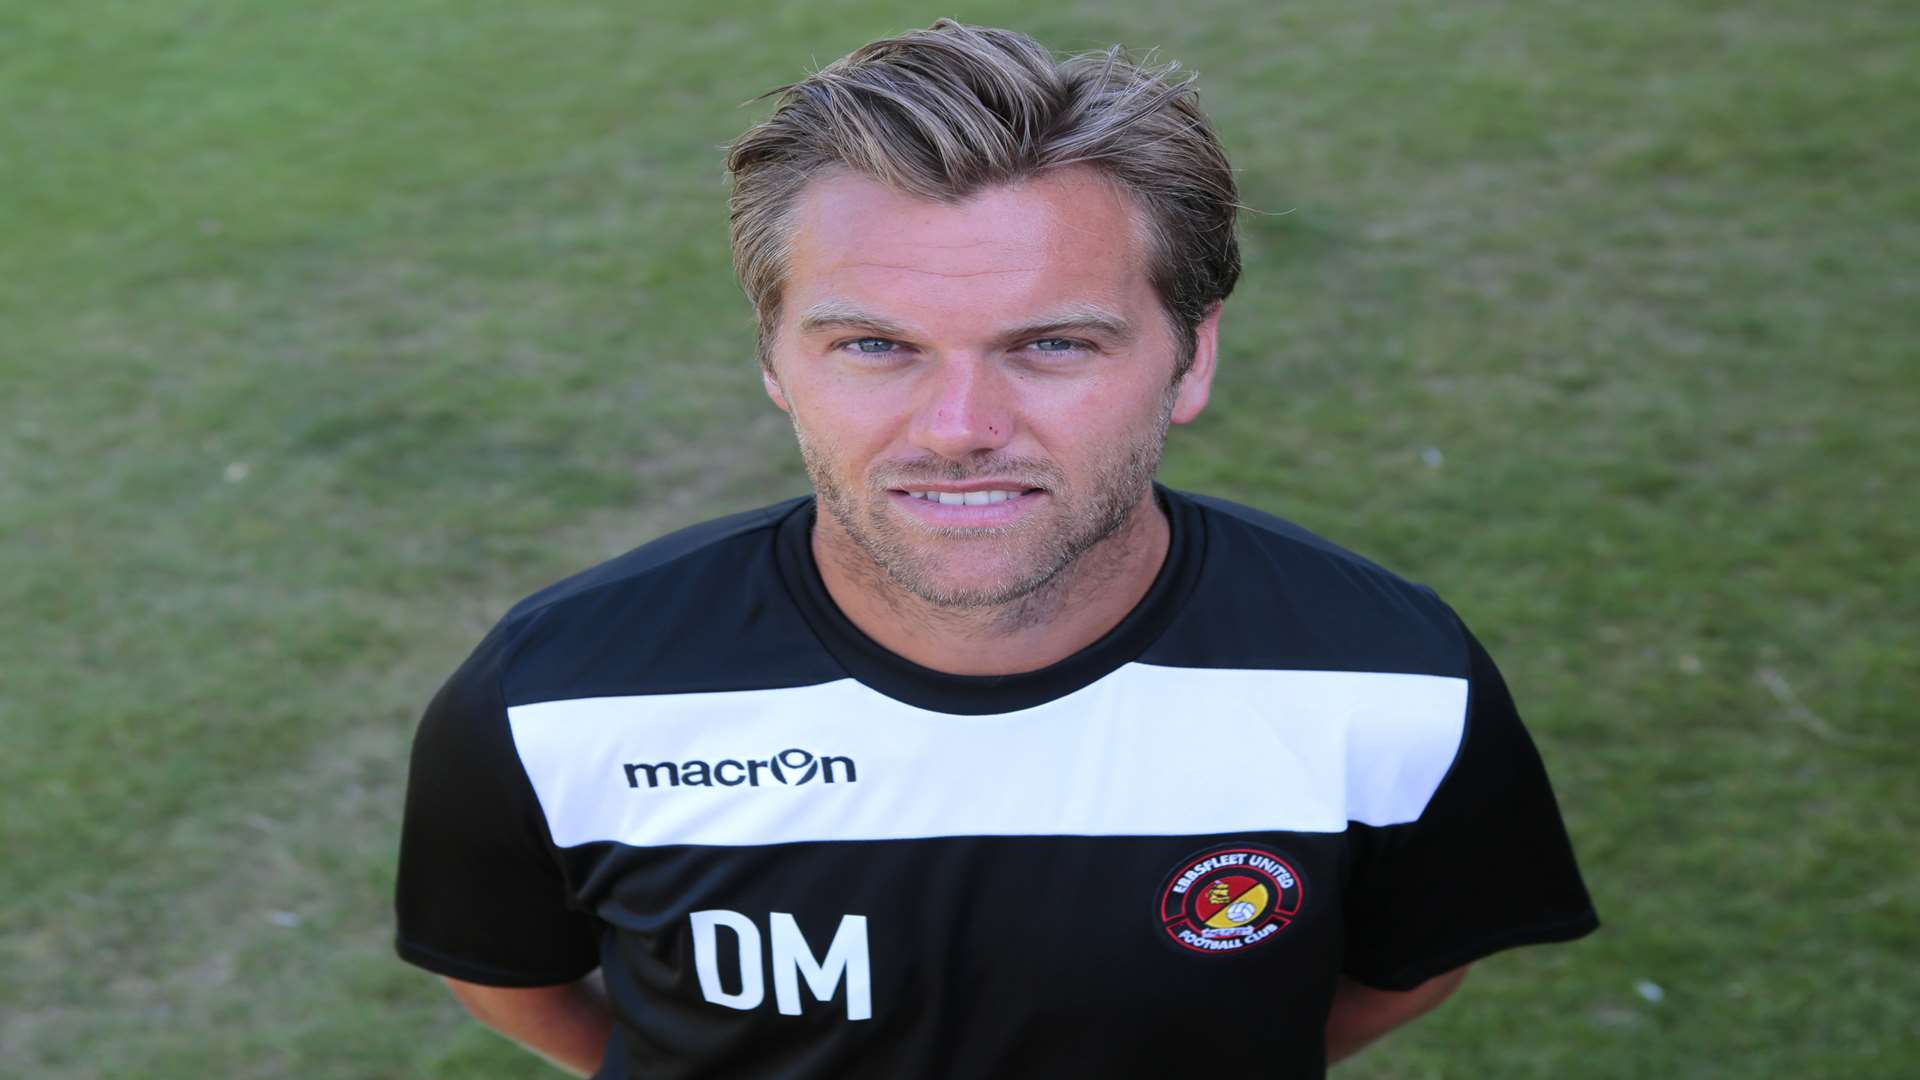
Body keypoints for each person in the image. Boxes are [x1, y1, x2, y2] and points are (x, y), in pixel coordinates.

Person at [394, 20, 1598, 1078]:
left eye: (1054, 346)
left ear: (1192, 356)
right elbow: (511, 978)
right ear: (773, 358)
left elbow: (1411, 967)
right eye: (873, 345)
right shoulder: (555, 695)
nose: (960, 429)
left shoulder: (1391, 680)